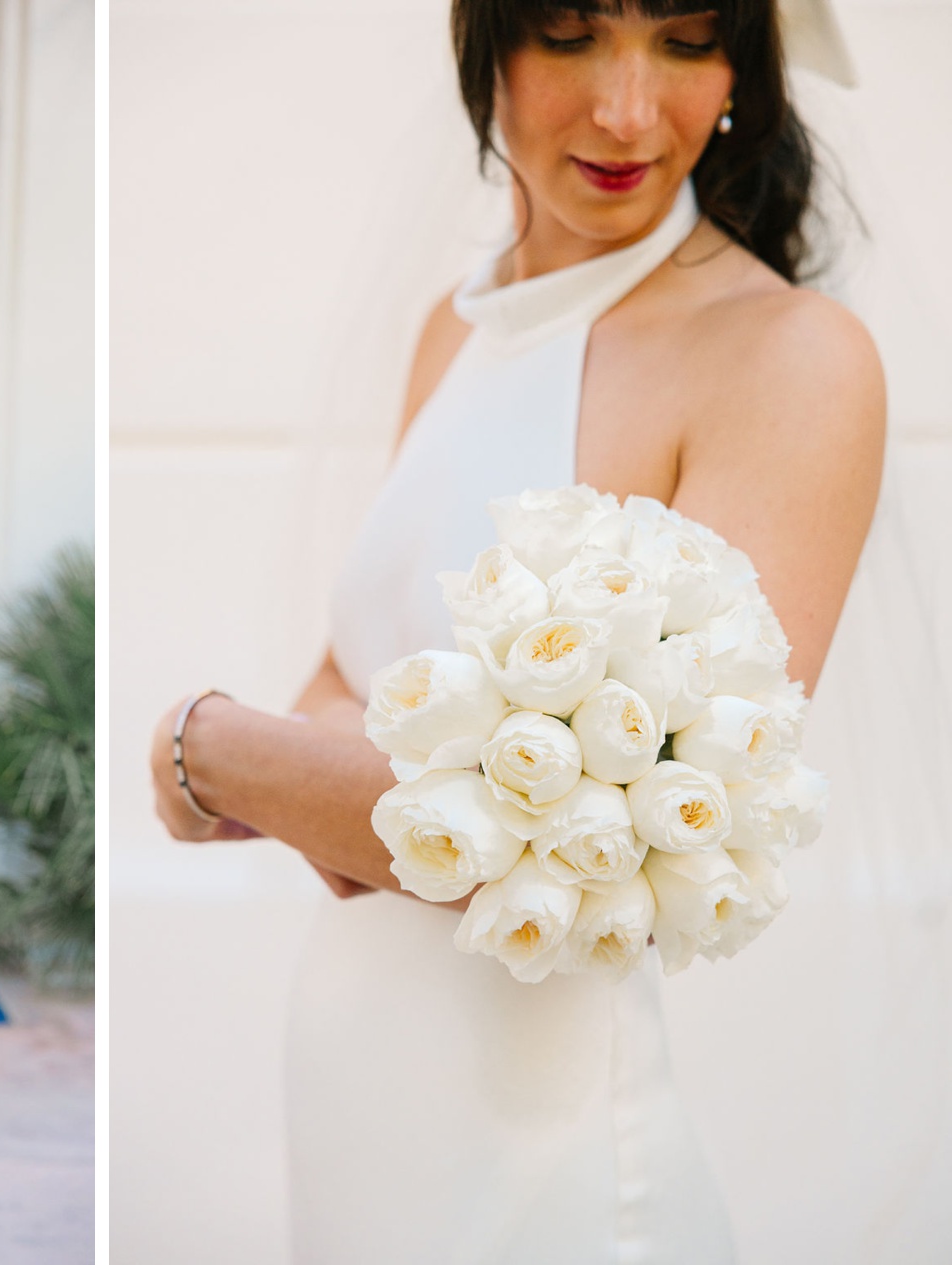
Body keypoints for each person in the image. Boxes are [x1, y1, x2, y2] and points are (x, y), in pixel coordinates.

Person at [149, 3, 921, 1260]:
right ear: (480, 46)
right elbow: (353, 685)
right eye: (567, 33)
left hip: (544, 1149)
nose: (626, 109)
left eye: (682, 40)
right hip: (360, 1097)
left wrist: (204, 743)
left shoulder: (789, 357)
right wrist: (362, 782)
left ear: (742, 70)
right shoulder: (457, 328)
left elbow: (582, 843)